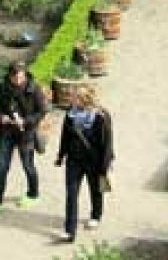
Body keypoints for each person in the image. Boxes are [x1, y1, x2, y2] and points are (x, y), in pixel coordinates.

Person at [0, 60, 49, 216]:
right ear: (10, 76)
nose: (18, 81)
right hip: (7, 131)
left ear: (25, 75)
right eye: (15, 78)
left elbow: (42, 111)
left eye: (21, 78)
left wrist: (26, 121)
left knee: (28, 166)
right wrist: (2, 117)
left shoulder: (34, 89)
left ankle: (33, 194)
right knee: (1, 167)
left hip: (25, 133)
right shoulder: (5, 87)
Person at [55, 85, 114, 243]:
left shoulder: (101, 116)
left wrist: (104, 166)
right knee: (71, 194)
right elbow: (65, 137)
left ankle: (96, 215)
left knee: (95, 190)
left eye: (76, 97)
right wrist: (61, 156)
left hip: (95, 161)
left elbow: (107, 143)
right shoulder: (70, 114)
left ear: (85, 99)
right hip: (74, 160)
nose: (72, 99)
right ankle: (69, 231)